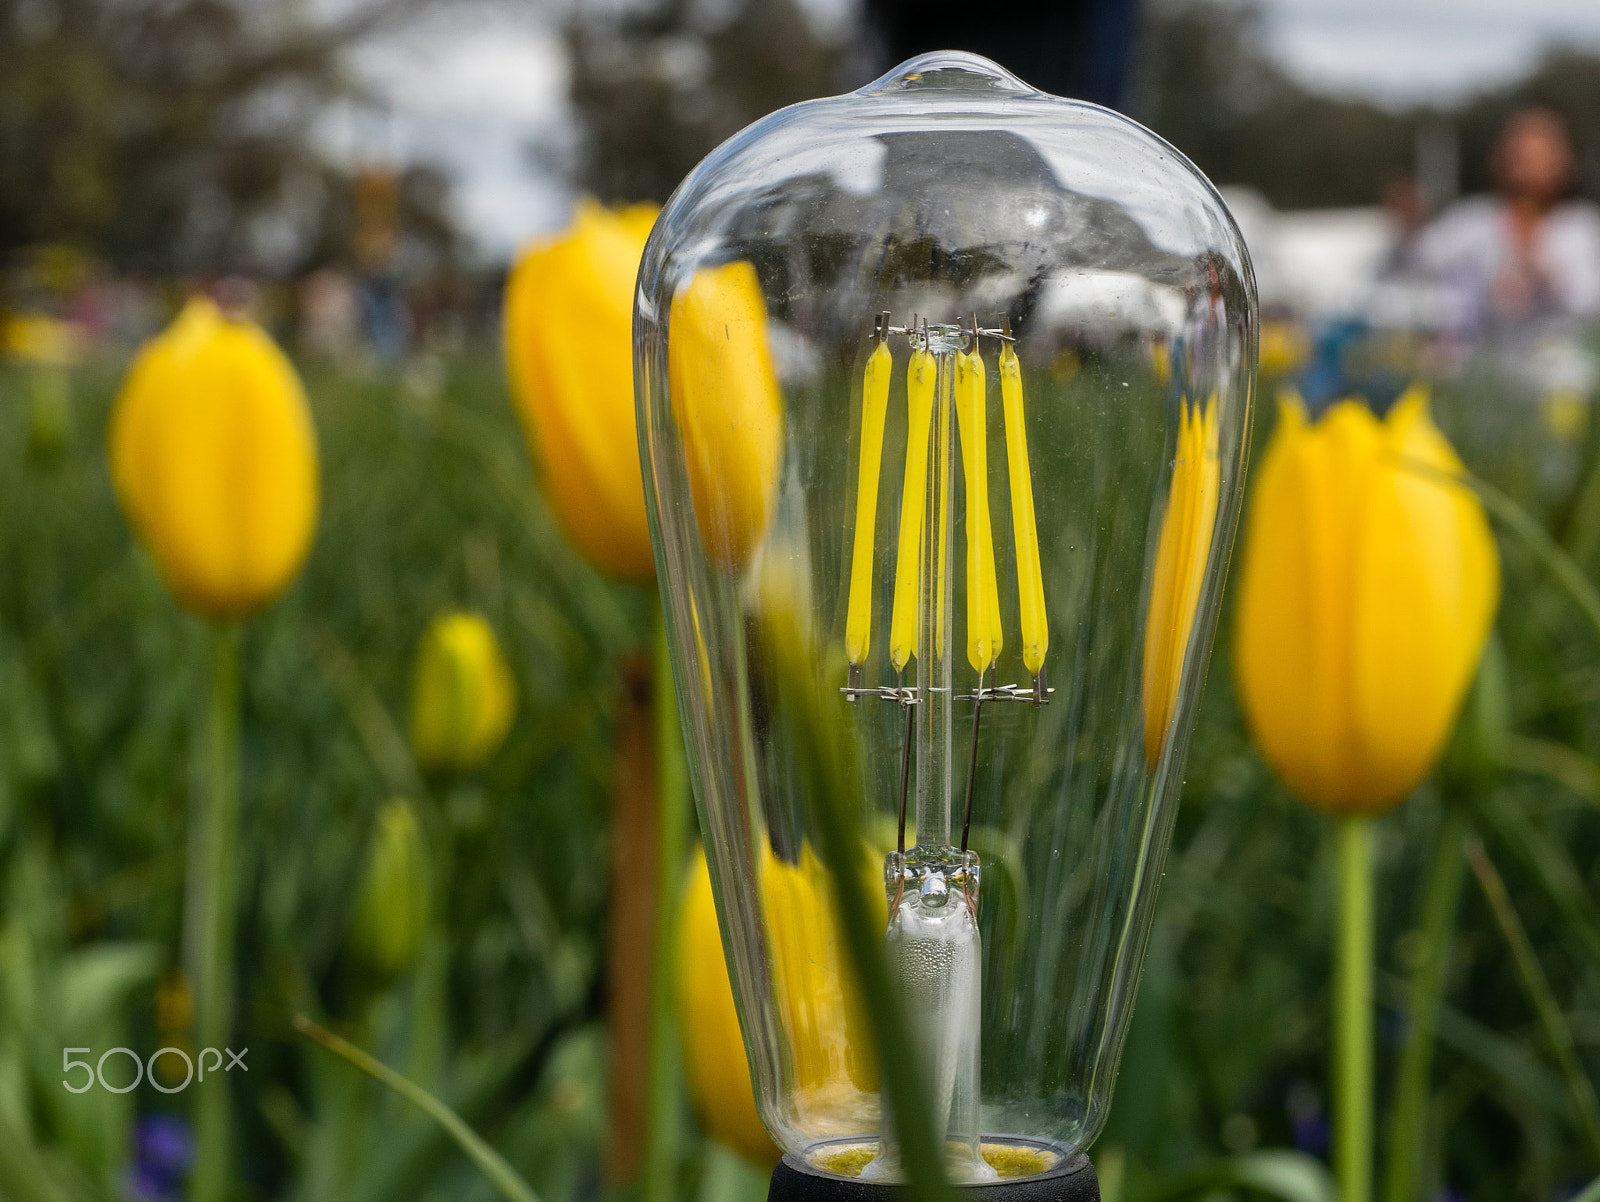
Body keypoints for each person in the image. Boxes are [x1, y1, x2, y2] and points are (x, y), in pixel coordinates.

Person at [1414, 107, 1600, 334]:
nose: (1528, 172)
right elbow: (1419, 263)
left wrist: (1547, 278)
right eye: (1520, 158)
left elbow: (1589, 302)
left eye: (1539, 159)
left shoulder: (1581, 226)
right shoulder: (1470, 221)